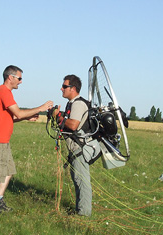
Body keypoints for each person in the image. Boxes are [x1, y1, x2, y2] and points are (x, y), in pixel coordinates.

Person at [0, 65, 53, 214]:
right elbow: (19, 113)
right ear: (10, 77)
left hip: (3, 139)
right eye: (19, 78)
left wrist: (27, 117)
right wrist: (41, 107)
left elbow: (12, 117)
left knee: (8, 171)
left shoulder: (4, 92)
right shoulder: (3, 92)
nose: (21, 82)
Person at [53, 74, 95, 216]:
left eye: (65, 86)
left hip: (80, 149)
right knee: (77, 180)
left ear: (73, 88)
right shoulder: (72, 103)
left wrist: (58, 117)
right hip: (75, 150)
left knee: (82, 182)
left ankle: (84, 214)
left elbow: (73, 124)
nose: (62, 88)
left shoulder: (78, 104)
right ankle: (80, 209)